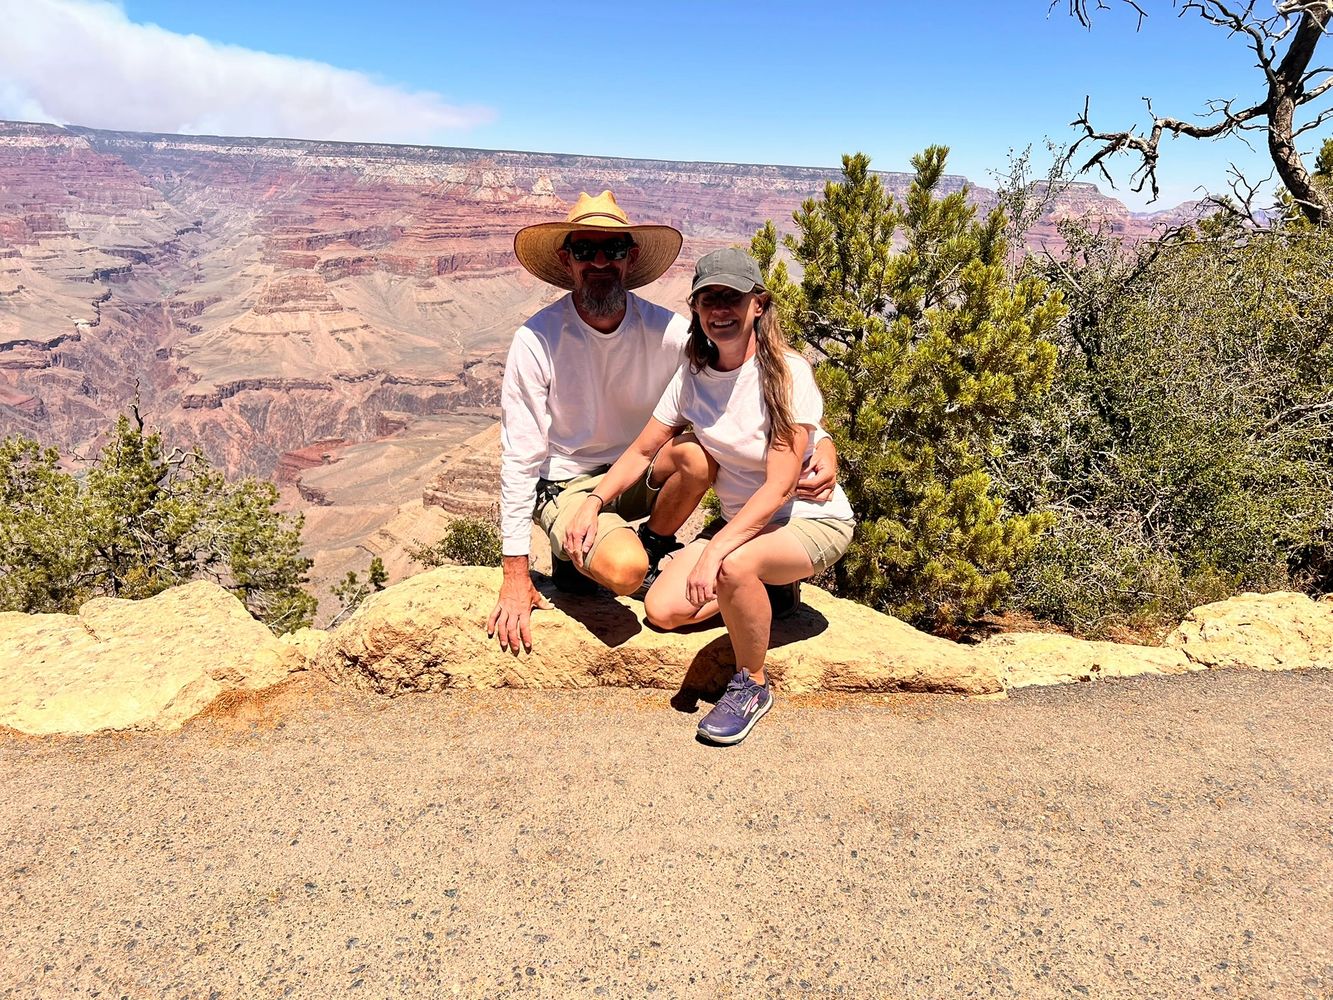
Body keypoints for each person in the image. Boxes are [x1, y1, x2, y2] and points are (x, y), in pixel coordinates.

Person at [487, 192, 839, 654]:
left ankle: (653, 545)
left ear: (630, 258)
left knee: (695, 455)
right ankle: (589, 553)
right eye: (584, 250)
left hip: (634, 475)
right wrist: (515, 574)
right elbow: (520, 458)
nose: (598, 262)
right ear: (566, 259)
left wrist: (824, 444)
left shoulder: (669, 333)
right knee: (624, 572)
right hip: (569, 481)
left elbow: (757, 391)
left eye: (612, 250)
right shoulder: (536, 339)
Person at [563, 248, 856, 745]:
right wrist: (593, 503)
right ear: (696, 308)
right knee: (662, 611)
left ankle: (752, 685)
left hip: (805, 519)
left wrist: (716, 550)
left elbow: (781, 485)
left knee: (733, 568)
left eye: (732, 299)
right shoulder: (694, 374)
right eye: (708, 300)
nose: (720, 310)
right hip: (745, 525)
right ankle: (768, 597)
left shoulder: (786, 374)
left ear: (758, 305)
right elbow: (643, 450)